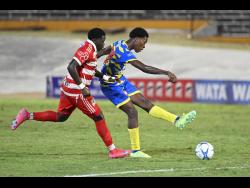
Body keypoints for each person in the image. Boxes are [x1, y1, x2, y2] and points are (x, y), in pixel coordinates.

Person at [11, 28, 130, 159]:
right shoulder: (87, 49)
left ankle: (27, 115)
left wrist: (105, 77)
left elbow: (88, 67)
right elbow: (71, 66)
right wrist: (82, 86)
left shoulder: (89, 48)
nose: (103, 42)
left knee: (61, 116)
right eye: (103, 40)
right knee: (99, 116)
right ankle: (113, 150)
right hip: (76, 91)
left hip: (68, 87)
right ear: (96, 39)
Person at [97, 27, 197, 158]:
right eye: (144, 42)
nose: (144, 46)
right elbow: (144, 68)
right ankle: (136, 151)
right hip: (110, 84)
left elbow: (106, 50)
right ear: (137, 39)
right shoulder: (124, 52)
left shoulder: (120, 44)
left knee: (144, 103)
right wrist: (166, 72)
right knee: (132, 112)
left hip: (119, 78)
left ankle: (177, 120)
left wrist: (95, 55)